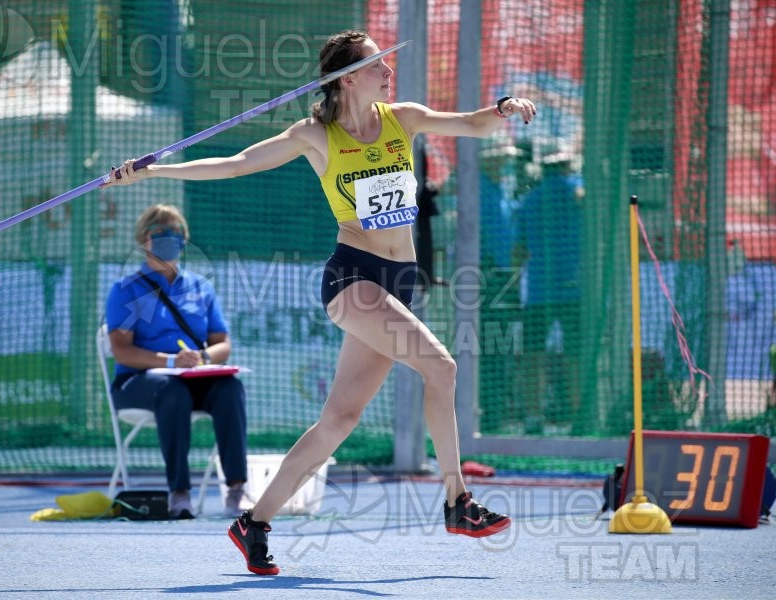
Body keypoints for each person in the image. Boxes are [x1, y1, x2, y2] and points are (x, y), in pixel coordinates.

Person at [104, 30, 536, 575]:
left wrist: (501, 108)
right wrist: (154, 169)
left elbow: (471, 124)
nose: (388, 69)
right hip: (353, 277)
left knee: (339, 420)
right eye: (377, 62)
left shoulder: (403, 117)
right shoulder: (314, 135)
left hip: (399, 280)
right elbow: (236, 163)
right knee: (441, 367)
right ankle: (458, 502)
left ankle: (253, 523)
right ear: (348, 78)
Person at [105, 204, 249, 520]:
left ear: (185, 239)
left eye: (176, 233)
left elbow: (223, 344)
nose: (169, 239)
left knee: (230, 389)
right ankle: (179, 493)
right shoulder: (126, 290)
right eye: (160, 233)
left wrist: (204, 358)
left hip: (193, 378)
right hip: (138, 383)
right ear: (144, 239)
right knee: (172, 390)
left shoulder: (202, 287)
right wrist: (172, 361)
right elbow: (122, 351)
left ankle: (236, 490)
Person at [512, 150, 583, 433]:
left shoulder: (529, 201)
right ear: (567, 166)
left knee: (533, 355)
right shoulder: (579, 193)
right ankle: (579, 415)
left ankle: (533, 416)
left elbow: (518, 250)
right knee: (575, 354)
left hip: (539, 292)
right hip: (574, 289)